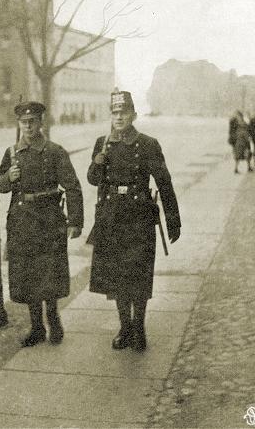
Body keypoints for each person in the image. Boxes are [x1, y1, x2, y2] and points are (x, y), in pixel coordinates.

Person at [87, 89, 181, 351]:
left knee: (138, 275)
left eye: (124, 113)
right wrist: (98, 161)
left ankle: (139, 328)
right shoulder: (102, 143)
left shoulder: (148, 144)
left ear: (133, 115)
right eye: (115, 113)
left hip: (138, 218)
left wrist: (173, 219)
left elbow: (164, 182)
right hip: (111, 218)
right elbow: (93, 179)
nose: (119, 117)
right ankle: (124, 328)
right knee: (117, 276)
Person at [0, 101, 84, 347]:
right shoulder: (12, 153)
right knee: (27, 274)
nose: (28, 126)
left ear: (40, 123)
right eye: (24, 122)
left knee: (50, 271)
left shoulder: (55, 152)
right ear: (19, 124)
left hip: (49, 219)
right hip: (22, 220)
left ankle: (53, 319)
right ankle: (36, 328)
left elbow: (72, 186)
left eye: (32, 121)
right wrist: (8, 178)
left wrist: (75, 221)